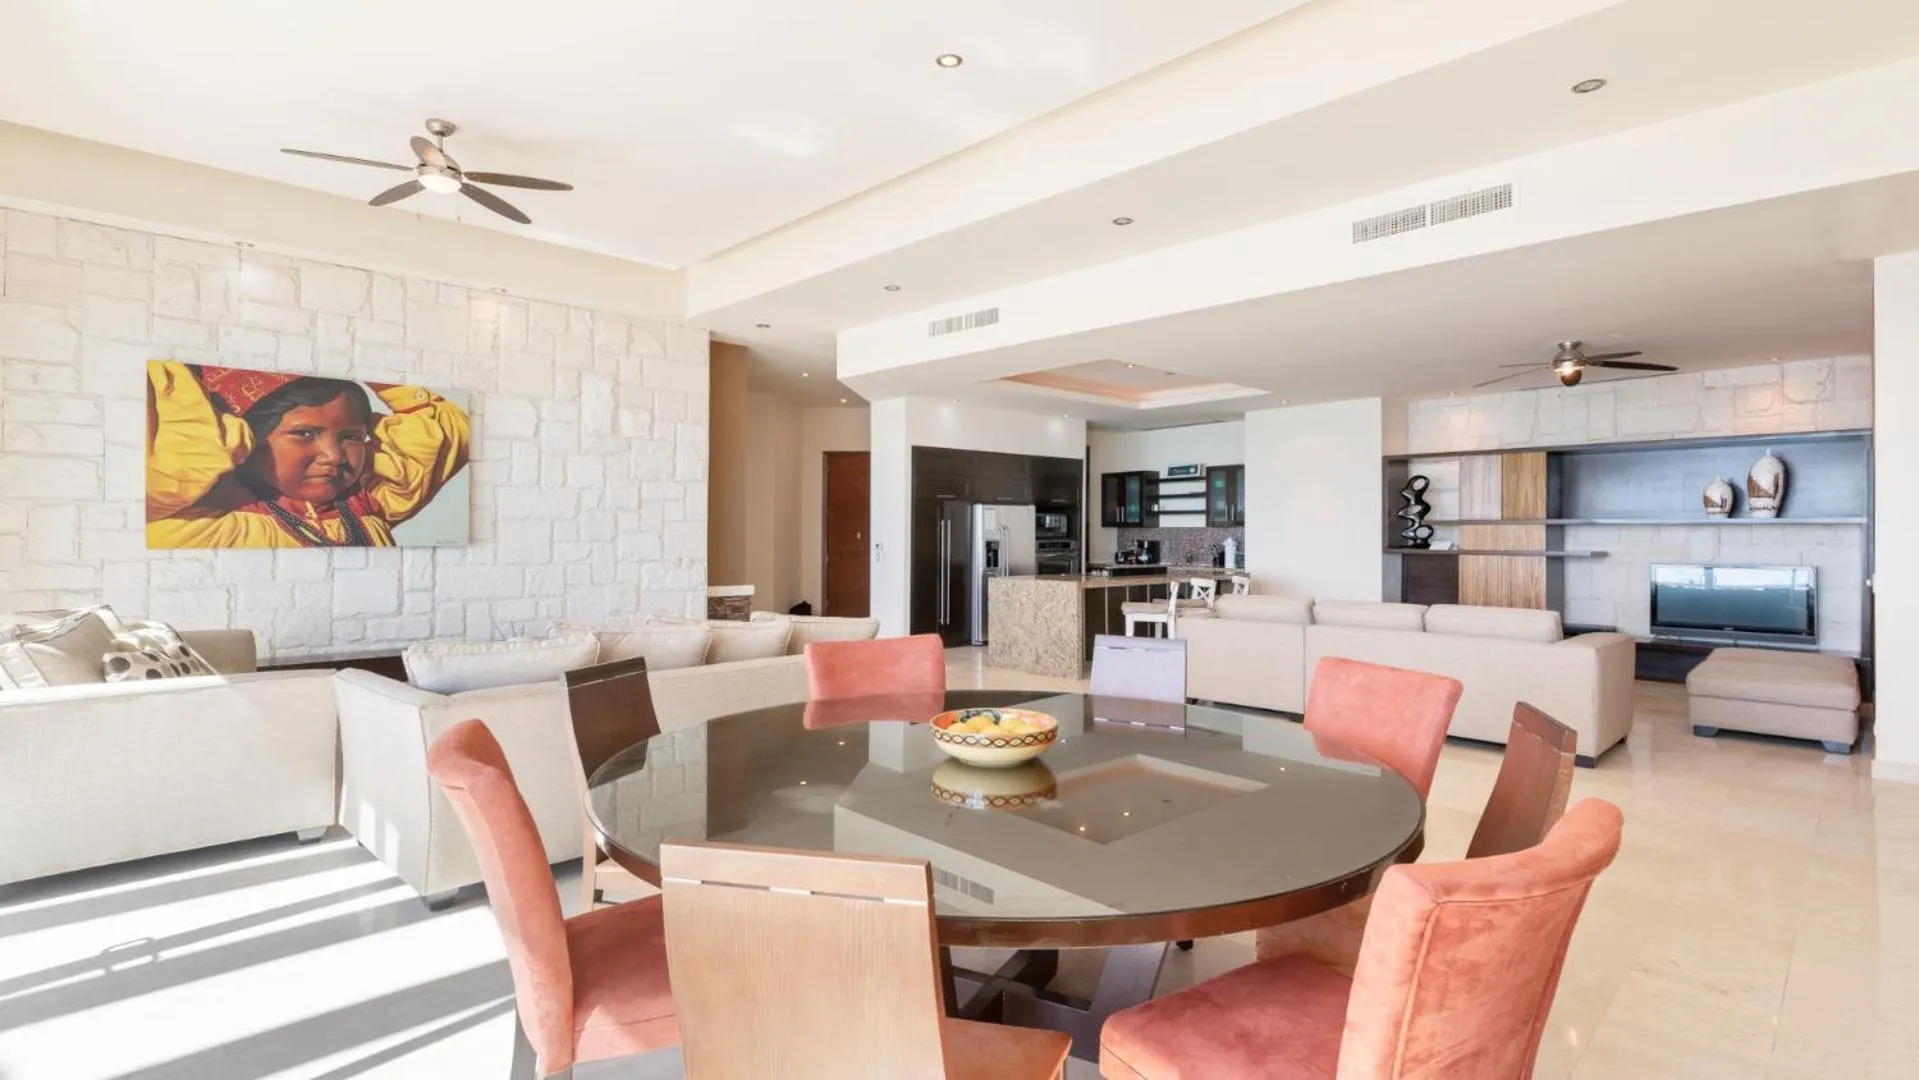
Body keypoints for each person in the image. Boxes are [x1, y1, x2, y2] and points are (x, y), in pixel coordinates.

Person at [145, 360, 470, 548]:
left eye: (352, 437)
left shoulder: (368, 501)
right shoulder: (204, 523)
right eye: (304, 434)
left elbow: (447, 430)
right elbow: (184, 463)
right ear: (245, 440)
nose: (333, 455)